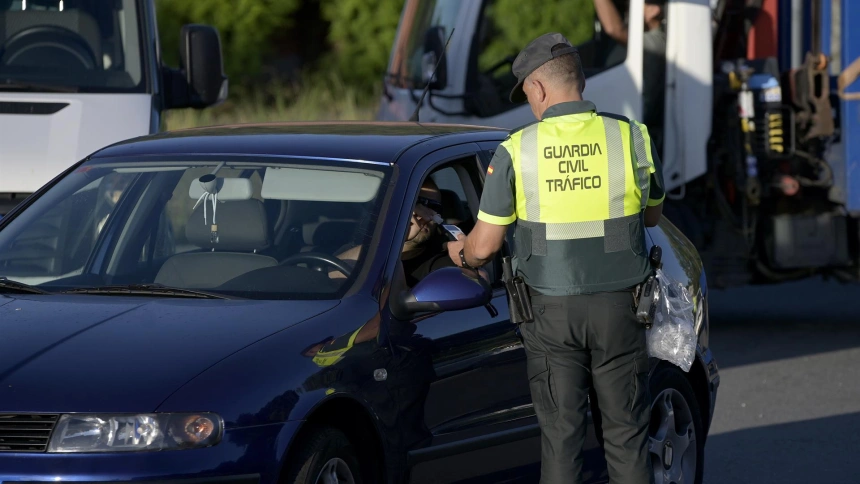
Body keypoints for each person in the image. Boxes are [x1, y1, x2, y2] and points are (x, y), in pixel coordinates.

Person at [445, 32, 665, 484]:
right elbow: (653, 217)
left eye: (527, 94)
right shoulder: (630, 136)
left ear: (538, 89)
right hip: (622, 308)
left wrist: (458, 251)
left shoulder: (516, 150)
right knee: (627, 436)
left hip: (550, 314)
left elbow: (484, 246)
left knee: (562, 439)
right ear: (579, 81)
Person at [593, 0, 667, 153]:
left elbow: (615, 29)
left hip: (643, 127)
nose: (628, 13)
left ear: (654, 10)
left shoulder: (657, 41)